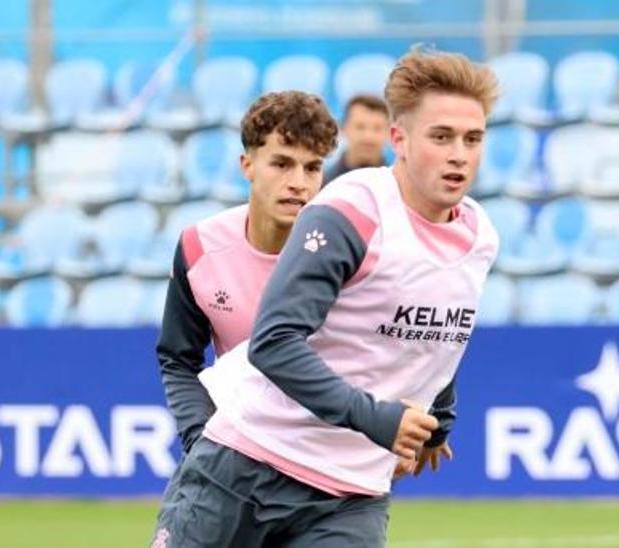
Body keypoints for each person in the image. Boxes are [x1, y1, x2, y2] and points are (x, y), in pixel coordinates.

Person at [155, 46, 500, 548]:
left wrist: (438, 422)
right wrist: (378, 419)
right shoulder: (350, 211)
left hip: (350, 496)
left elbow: (436, 335)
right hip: (246, 466)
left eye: (473, 139)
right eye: (441, 136)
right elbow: (273, 341)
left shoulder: (480, 235)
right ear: (398, 139)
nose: (458, 154)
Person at [155, 90, 338, 458]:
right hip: (238, 455)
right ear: (247, 165)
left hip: (329, 459)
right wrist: (201, 438)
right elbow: (178, 359)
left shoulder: (349, 252)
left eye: (312, 167)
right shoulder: (199, 247)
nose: (298, 182)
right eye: (282, 164)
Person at [324, 94, 390, 183]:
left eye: (377, 128)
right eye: (360, 127)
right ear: (343, 129)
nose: (368, 136)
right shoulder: (323, 186)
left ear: (389, 133)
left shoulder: (400, 187)